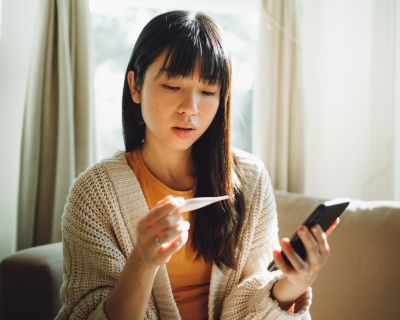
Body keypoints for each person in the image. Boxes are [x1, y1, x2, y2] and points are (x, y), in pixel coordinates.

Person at [56, 10, 338, 320]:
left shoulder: (250, 179)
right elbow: (84, 314)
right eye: (172, 86)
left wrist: (294, 283)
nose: (190, 108)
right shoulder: (94, 193)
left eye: (207, 92)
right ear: (135, 86)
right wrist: (143, 261)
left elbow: (255, 302)